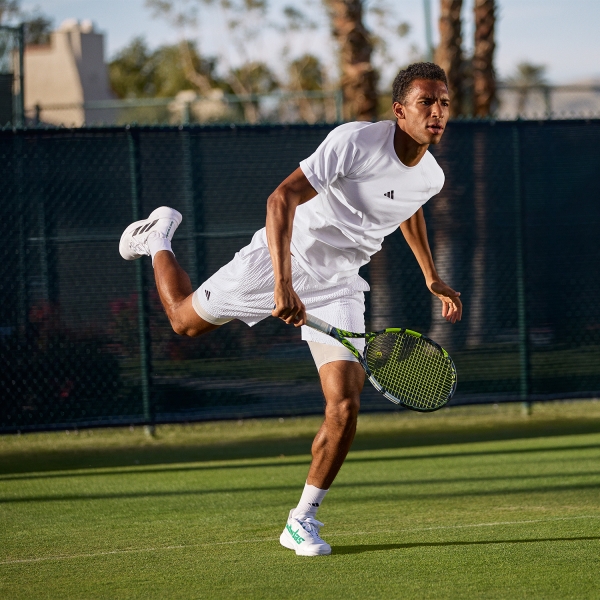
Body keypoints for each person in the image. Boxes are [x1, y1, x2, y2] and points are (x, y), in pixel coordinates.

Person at [119, 62, 462, 557]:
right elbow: (281, 198)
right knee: (183, 322)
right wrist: (282, 284)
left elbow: (406, 206)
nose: (437, 112)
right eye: (426, 102)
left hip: (340, 282)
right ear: (399, 110)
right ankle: (157, 240)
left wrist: (430, 274)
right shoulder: (357, 141)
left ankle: (301, 521)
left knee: (344, 402)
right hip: (283, 257)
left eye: (445, 102)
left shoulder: (431, 176)